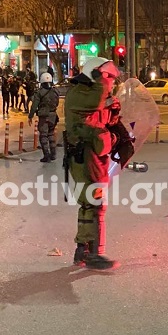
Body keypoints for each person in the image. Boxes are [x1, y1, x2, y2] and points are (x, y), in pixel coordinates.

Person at [64, 57, 133, 269]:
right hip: (84, 155)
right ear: (95, 75)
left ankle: (83, 250)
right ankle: (91, 253)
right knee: (93, 201)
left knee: (91, 202)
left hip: (95, 155)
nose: (111, 82)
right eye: (108, 78)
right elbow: (95, 103)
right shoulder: (80, 93)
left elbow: (103, 118)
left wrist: (113, 114)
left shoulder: (94, 94)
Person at [28, 72, 60, 162]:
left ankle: (46, 155)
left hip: (43, 116)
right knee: (51, 135)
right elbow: (57, 103)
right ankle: (53, 154)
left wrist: (30, 116)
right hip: (53, 115)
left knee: (43, 136)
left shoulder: (39, 93)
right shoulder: (55, 91)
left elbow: (34, 105)